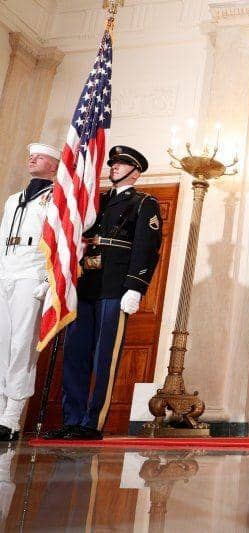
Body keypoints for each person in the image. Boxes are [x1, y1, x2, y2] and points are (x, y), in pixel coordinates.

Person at [44, 146, 162, 440]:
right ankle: (72, 418)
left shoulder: (144, 203)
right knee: (76, 353)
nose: (114, 167)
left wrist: (136, 287)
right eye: (113, 163)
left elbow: (147, 248)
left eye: (121, 164)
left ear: (136, 171)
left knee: (103, 357)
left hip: (115, 286)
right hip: (86, 285)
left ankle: (91, 422)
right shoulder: (97, 201)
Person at [0, 143, 59, 440]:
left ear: (54, 165)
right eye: (31, 155)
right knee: (2, 343)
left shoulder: (57, 198)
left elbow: (61, 242)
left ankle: (11, 417)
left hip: (32, 272)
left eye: (41, 155)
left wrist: (48, 281)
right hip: (7, 270)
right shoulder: (14, 200)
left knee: (22, 345)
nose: (32, 158)